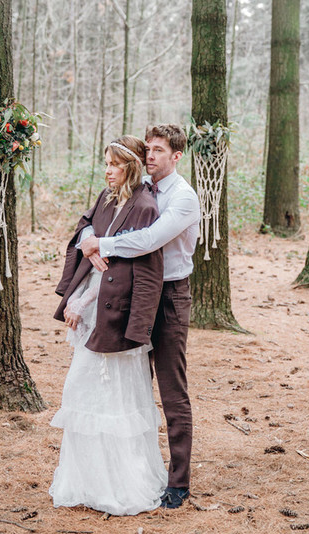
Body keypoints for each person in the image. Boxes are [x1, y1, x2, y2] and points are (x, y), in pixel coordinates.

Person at [80, 123, 200, 509]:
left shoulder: (183, 198)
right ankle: (133, 471)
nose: (150, 155)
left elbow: (148, 240)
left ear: (176, 156)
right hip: (131, 294)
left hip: (168, 297)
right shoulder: (138, 189)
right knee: (130, 386)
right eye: (147, 149)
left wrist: (104, 243)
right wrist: (87, 238)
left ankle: (178, 481)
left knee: (171, 389)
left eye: (159, 150)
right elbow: (93, 216)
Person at [49, 136, 167, 516]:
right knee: (85, 396)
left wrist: (80, 303)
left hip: (116, 316)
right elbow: (87, 228)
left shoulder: (145, 206)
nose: (107, 170)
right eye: (106, 163)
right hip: (94, 311)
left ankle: (120, 483)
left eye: (113, 164)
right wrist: (87, 239)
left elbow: (132, 272)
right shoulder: (107, 197)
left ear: (130, 167)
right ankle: (88, 479)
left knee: (115, 398)